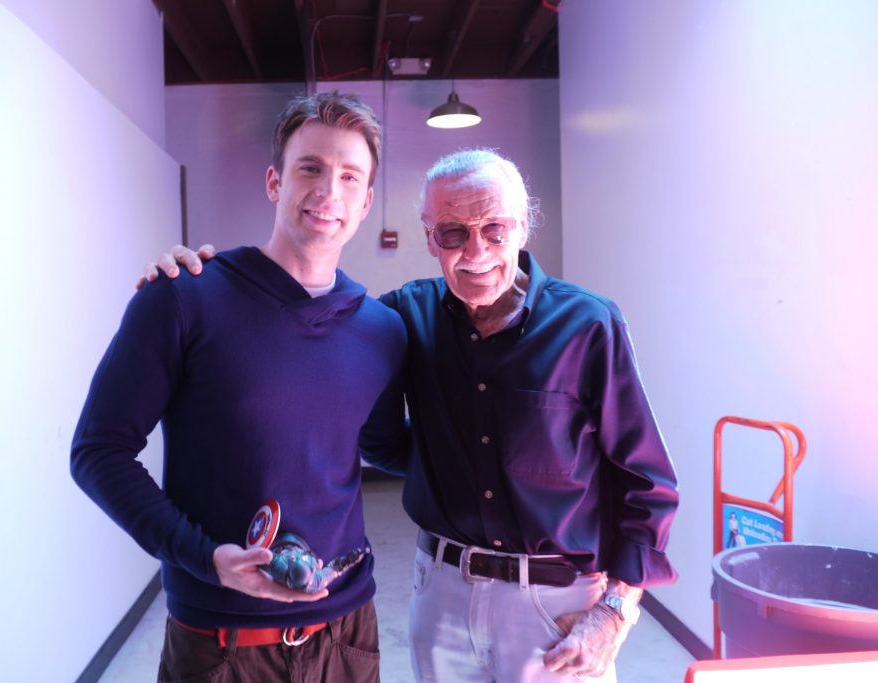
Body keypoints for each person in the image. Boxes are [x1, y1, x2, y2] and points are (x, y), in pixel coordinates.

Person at [144, 148, 680, 682]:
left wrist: (614, 611)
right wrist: (205, 280)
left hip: (557, 604)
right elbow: (311, 320)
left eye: (494, 229)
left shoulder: (588, 324)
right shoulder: (404, 315)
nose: (476, 251)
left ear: (522, 226)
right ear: (429, 237)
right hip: (442, 595)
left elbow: (646, 482)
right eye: (452, 233)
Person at [72, 91, 408, 683]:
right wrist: (205, 557)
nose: (329, 190)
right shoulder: (183, 296)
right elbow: (98, 451)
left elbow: (385, 446)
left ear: (366, 203)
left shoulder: (381, 330)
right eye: (311, 168)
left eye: (349, 176)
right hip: (221, 644)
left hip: (349, 638)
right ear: (275, 182)